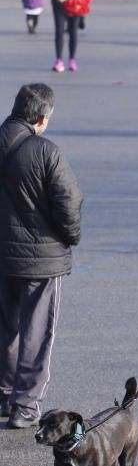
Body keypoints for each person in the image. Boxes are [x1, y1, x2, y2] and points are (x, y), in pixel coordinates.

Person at [0, 83, 83, 428]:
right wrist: (71, 236)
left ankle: (4, 394)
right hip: (40, 258)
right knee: (36, 329)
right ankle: (26, 405)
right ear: (41, 117)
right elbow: (69, 202)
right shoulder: (46, 151)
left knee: (5, 327)